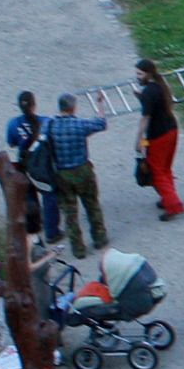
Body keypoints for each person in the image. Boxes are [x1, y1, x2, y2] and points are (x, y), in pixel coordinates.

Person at [46, 92, 111, 255]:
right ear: (73, 108)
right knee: (92, 204)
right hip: (83, 170)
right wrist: (100, 104)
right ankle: (99, 238)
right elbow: (101, 123)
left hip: (62, 174)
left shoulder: (50, 126)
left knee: (69, 212)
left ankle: (78, 248)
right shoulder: (79, 125)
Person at [5, 92, 63, 244]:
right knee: (49, 197)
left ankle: (35, 226)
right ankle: (52, 232)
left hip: (24, 166)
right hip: (43, 167)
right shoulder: (46, 122)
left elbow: (11, 143)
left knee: (30, 197)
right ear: (34, 104)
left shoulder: (13, 124)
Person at [133, 57, 184, 220]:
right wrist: (141, 98)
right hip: (171, 131)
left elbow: (145, 119)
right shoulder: (160, 86)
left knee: (157, 172)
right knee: (165, 168)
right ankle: (168, 199)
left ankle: (173, 205)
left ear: (148, 74)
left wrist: (139, 141)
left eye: (140, 74)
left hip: (158, 137)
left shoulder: (149, 92)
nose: (137, 77)